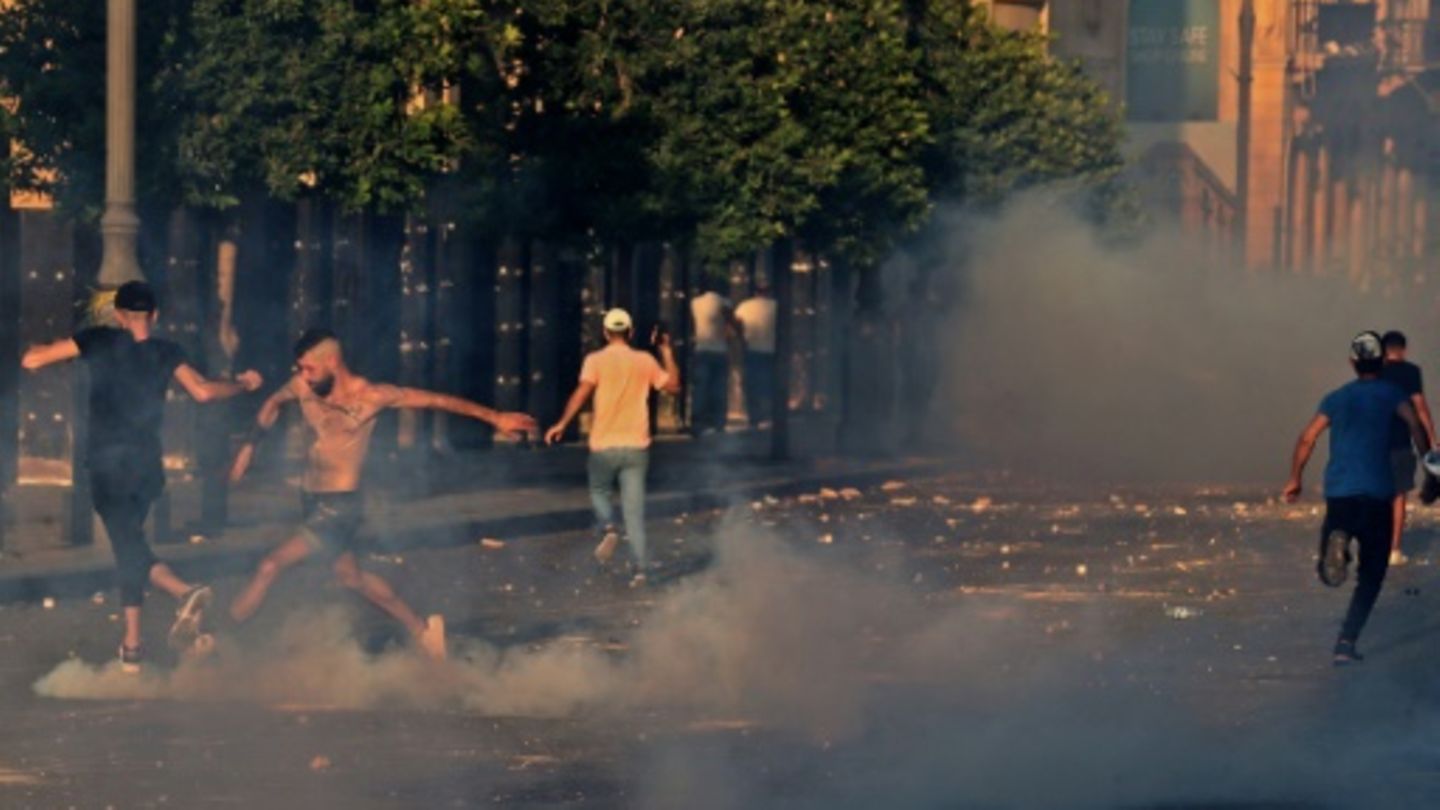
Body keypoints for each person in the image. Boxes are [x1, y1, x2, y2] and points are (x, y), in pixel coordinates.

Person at [227, 329, 538, 660]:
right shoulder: (304, 386)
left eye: (309, 368)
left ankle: (217, 641)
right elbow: (272, 403)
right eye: (300, 369)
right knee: (351, 577)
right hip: (311, 501)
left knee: (270, 566)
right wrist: (249, 447)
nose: (303, 376)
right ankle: (423, 631)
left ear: (332, 360)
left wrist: (495, 417)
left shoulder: (372, 396)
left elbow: (438, 400)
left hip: (340, 507)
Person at [20, 281, 263, 672]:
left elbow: (33, 361)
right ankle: (132, 647)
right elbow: (202, 392)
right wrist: (244, 384)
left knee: (127, 544)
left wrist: (38, 347)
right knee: (128, 544)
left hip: (106, 464)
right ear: (155, 315)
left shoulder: (97, 339)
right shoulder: (167, 351)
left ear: (118, 315)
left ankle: (184, 591)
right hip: (146, 467)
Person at [1284, 331, 1430, 665]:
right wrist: (1428, 462)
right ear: (1380, 362)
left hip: (1340, 493)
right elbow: (1415, 426)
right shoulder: (1393, 393)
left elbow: (1307, 438)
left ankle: (1338, 541)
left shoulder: (1335, 398)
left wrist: (1295, 478)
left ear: (1352, 362)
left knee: (1328, 570)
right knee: (1372, 574)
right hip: (1378, 493)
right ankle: (1346, 642)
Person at [544, 309, 681, 586]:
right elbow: (674, 386)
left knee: (599, 491)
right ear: (630, 333)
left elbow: (582, 392)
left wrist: (561, 423)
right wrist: (666, 350)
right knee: (634, 511)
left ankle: (608, 526)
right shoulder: (645, 360)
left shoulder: (594, 360)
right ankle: (640, 570)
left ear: (605, 333)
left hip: (604, 445)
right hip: (636, 447)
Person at [1379, 330, 1435, 566]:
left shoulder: (1373, 372)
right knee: (1399, 496)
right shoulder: (1411, 371)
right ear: (1403, 349)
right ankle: (1394, 550)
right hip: (1401, 441)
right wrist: (1432, 437)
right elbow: (1420, 407)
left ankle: (1375, 547)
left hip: (1373, 442)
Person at [689, 280, 737, 435]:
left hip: (701, 349)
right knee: (719, 388)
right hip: (720, 350)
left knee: (701, 388)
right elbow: (731, 324)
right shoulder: (725, 303)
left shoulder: (695, 302)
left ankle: (697, 422)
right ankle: (718, 422)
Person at [734, 283, 777, 428]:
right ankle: (769, 415)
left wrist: (743, 340)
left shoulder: (744, 306)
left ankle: (754, 417)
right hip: (772, 350)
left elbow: (737, 325)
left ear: (755, 291)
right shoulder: (776, 306)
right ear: (769, 291)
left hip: (752, 349)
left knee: (752, 385)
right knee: (770, 384)